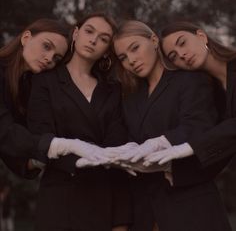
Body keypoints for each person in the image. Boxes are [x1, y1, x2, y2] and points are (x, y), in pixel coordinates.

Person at [110, 20, 231, 231]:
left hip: (191, 205)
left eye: (135, 48)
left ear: (154, 41)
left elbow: (199, 125)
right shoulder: (129, 99)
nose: (131, 60)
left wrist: (162, 142)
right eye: (123, 57)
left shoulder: (190, 80)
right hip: (145, 212)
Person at [27, 13, 132, 231]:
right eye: (89, 31)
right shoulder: (45, 81)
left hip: (102, 198)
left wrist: (121, 220)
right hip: (60, 198)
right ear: (75, 33)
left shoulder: (113, 90)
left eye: (103, 39)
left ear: (107, 50)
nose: (94, 40)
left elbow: (117, 149)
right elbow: (41, 137)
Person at [0, 18, 105, 177]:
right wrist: (59, 145)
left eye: (56, 58)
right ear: (26, 38)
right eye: (46, 46)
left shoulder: (26, 87)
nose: (49, 58)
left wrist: (34, 162)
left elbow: (13, 150)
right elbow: (5, 133)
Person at [144, 21, 236, 167]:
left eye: (182, 43)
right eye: (173, 56)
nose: (182, 54)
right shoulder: (210, 93)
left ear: (201, 36)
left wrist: (190, 147)